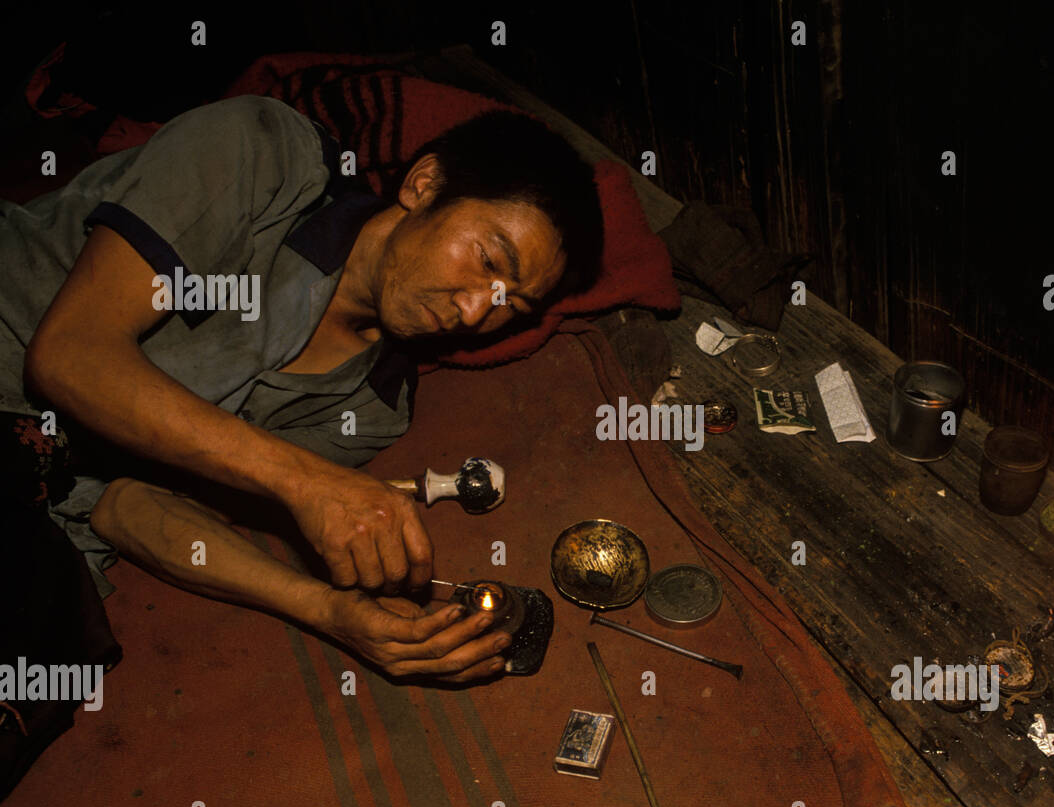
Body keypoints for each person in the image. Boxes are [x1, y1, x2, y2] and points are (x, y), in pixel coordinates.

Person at [0, 95, 602, 745]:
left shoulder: (369, 408)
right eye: (489, 261)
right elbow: (70, 355)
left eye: (511, 303)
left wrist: (333, 612)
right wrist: (306, 480)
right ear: (424, 186)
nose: (477, 310)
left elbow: (126, 508)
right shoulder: (265, 155)